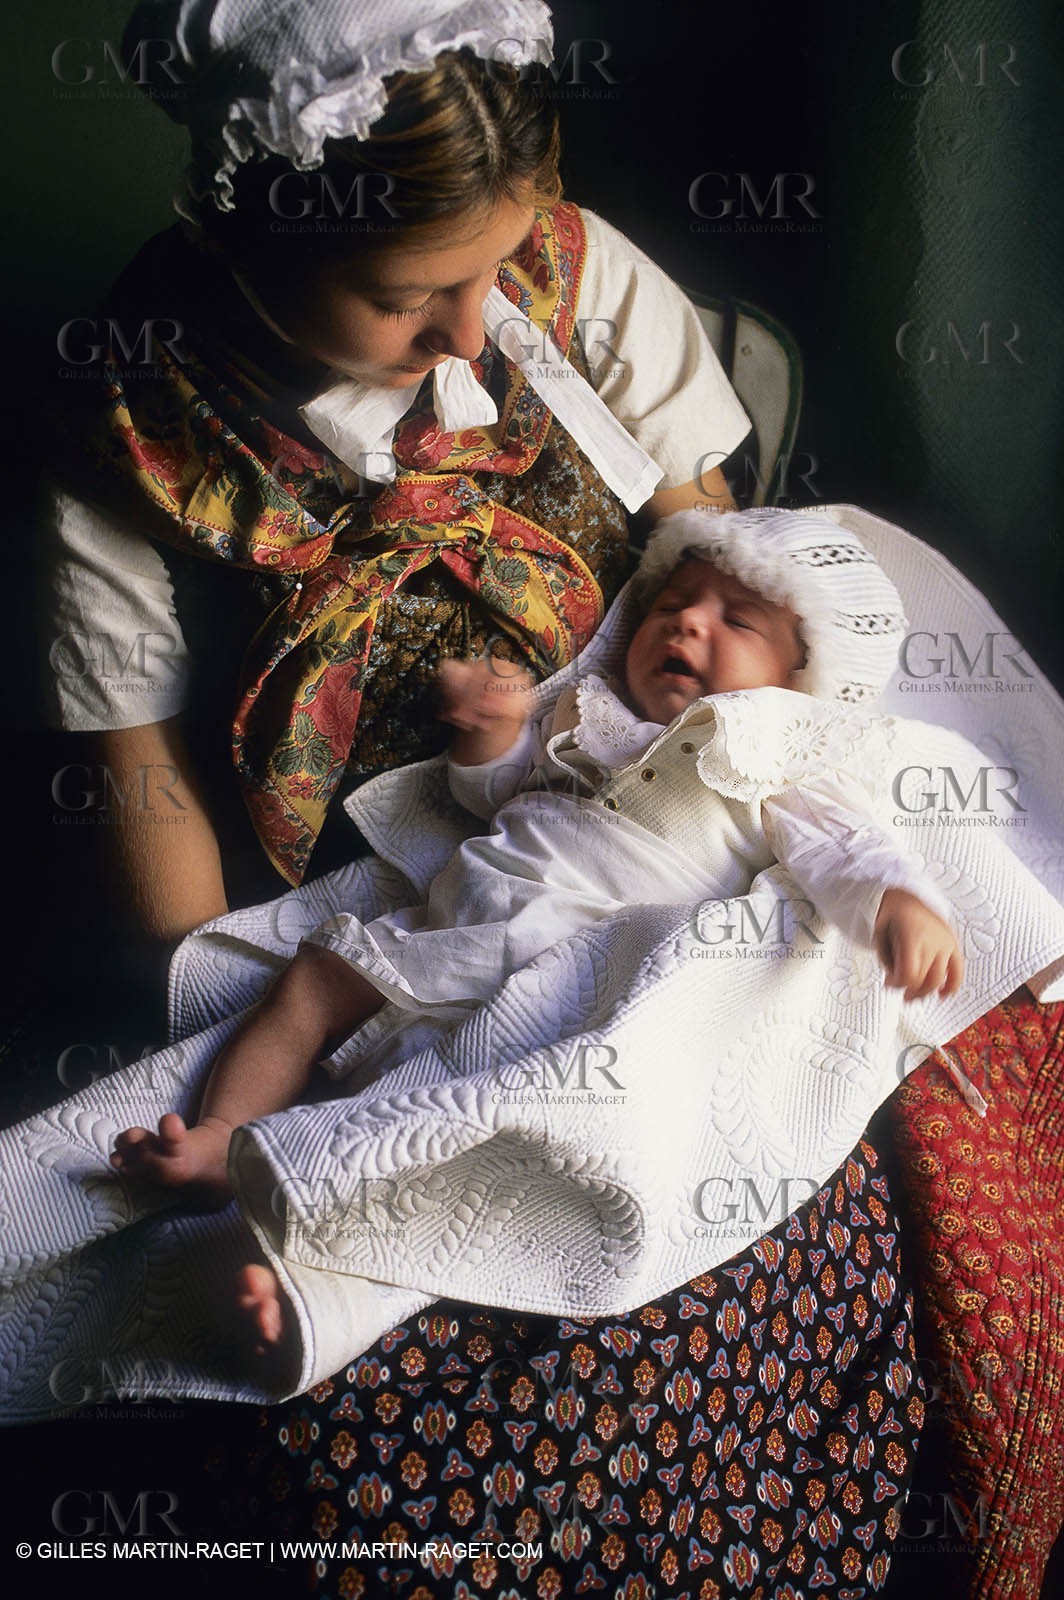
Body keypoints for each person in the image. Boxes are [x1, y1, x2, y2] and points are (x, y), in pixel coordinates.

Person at [111, 508, 964, 1342]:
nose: (689, 623)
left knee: (428, 1131)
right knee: (308, 983)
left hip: (555, 979)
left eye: (737, 619)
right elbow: (495, 798)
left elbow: (850, 850)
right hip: (450, 929)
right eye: (673, 603)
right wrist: (491, 736)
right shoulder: (588, 713)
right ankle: (226, 1133)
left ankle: (313, 1288)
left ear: (799, 679)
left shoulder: (785, 764)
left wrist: (900, 907)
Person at [39, 0, 750, 953]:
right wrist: (218, 1006)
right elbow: (144, 777)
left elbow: (721, 568)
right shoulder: (126, 433)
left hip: (634, 810)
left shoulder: (577, 273)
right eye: (404, 296)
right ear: (248, 234)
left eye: (492, 268)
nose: (467, 337)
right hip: (354, 913)